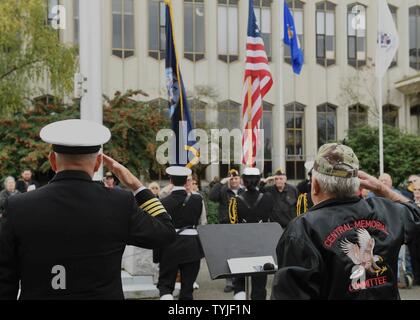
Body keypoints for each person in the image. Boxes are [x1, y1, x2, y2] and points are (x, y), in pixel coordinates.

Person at [0, 119, 176, 300]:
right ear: (98, 163)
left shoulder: (18, 206)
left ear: (52, 160)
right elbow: (166, 233)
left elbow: (5, 279)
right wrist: (137, 186)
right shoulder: (119, 203)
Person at [271, 143, 420, 300]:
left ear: (315, 185)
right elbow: (416, 215)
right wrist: (382, 189)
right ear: (358, 184)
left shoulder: (303, 229)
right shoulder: (388, 211)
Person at [156, 166, 204, 300]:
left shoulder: (163, 202)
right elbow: (201, 223)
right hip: (192, 246)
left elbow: (159, 227)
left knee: (166, 286)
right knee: (187, 289)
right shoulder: (197, 200)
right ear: (186, 181)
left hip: (170, 245)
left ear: (170, 180)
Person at [228, 168, 275, 300]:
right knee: (259, 283)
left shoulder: (235, 201)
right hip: (261, 245)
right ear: (259, 180)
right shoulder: (268, 199)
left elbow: (232, 224)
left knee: (240, 280)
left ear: (243, 181)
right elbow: (271, 220)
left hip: (241, 244)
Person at [209, 169, 245, 293]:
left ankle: (240, 280)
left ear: (240, 179)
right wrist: (221, 183)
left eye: (236, 178)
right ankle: (229, 282)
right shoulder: (224, 190)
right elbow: (212, 197)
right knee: (228, 255)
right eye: (231, 178)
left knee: (241, 254)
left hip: (241, 227)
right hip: (226, 226)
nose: (234, 180)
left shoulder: (244, 191)